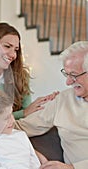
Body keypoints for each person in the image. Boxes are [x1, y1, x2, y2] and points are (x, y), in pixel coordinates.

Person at [15, 41, 88, 169]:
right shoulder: (62, 101)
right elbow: (21, 127)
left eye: (74, 75)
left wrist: (72, 168)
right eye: (66, 74)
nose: (68, 82)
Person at [0, 88, 46, 169]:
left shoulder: (20, 135)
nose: (13, 120)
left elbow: (35, 163)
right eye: (7, 118)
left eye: (11, 114)